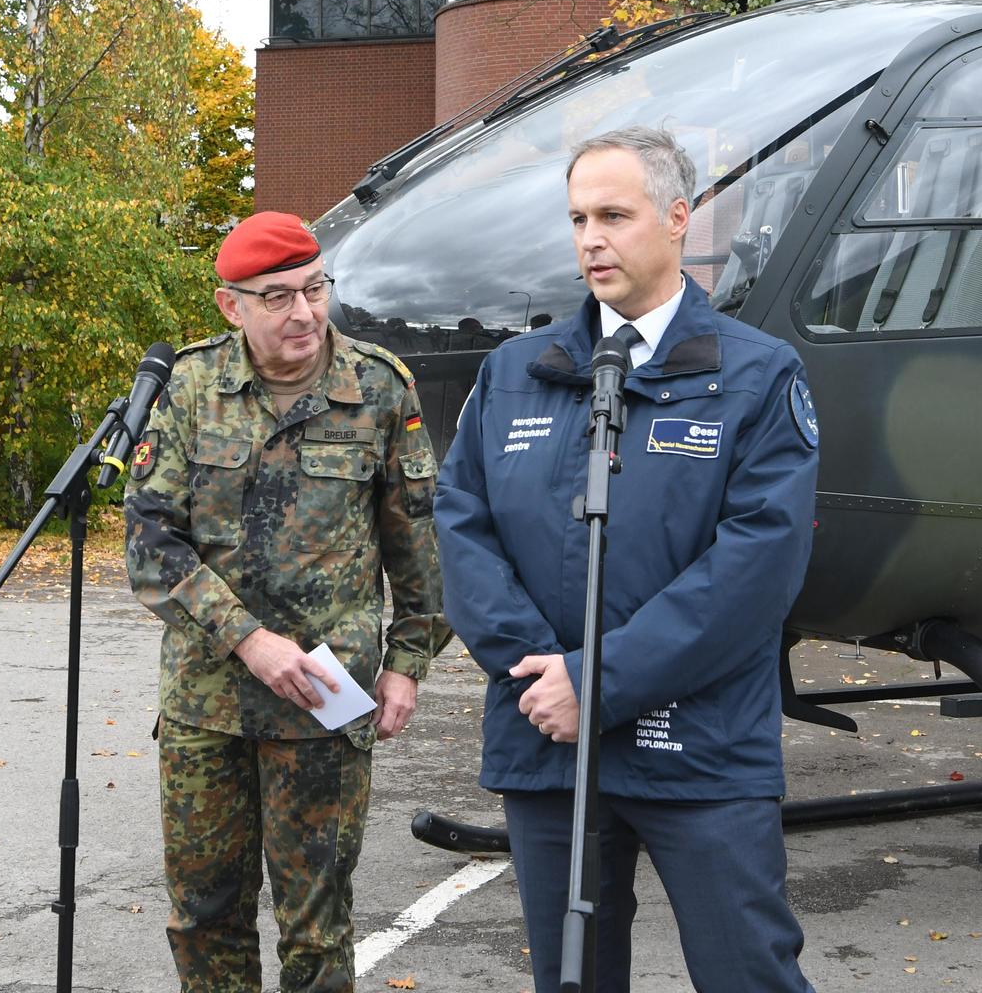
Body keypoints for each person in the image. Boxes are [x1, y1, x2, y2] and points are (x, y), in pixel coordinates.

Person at [437, 126, 821, 992]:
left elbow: (756, 567)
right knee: (571, 979)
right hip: (549, 743)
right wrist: (544, 678)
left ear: (679, 218)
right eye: (577, 219)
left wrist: (598, 682)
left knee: (748, 974)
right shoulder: (515, 374)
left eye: (613, 215)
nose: (590, 240)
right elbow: (462, 529)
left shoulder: (757, 377)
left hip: (700, 752)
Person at [125, 210, 450, 993]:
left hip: (325, 702)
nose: (303, 312)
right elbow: (150, 544)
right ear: (230, 306)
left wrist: (408, 662)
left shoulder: (378, 385)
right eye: (277, 297)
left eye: (314, 289)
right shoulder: (191, 387)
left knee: (316, 927)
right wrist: (249, 640)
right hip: (208, 704)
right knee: (205, 915)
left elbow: (419, 539)